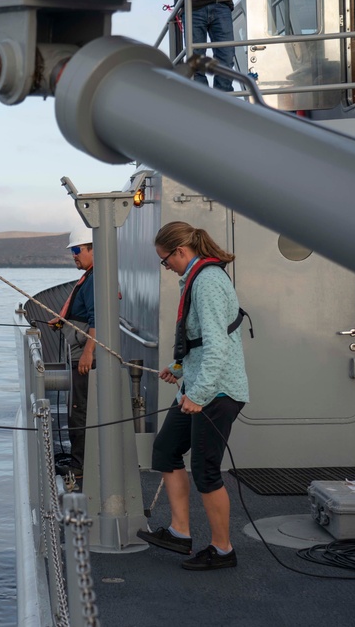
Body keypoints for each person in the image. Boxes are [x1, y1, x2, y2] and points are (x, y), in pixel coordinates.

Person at [137, 221, 249, 571]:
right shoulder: (196, 278)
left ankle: (222, 550)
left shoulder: (209, 282)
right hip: (199, 385)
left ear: (180, 252)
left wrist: (198, 393)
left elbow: (218, 347)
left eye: (164, 259)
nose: (165, 266)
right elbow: (202, 343)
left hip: (217, 391)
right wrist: (179, 368)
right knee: (166, 450)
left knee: (205, 470)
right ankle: (180, 533)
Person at [48, 226, 96, 474]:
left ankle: (79, 467)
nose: (74, 255)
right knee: (78, 409)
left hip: (84, 357)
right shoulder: (90, 277)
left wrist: (88, 353)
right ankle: (81, 462)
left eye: (77, 250)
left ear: (93, 249)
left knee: (80, 411)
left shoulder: (94, 280)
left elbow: (96, 318)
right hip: (78, 353)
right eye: (73, 251)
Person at [187, 0, 237, 92]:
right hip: (192, 5)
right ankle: (204, 101)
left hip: (222, 2)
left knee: (227, 58)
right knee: (196, 61)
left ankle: (223, 100)